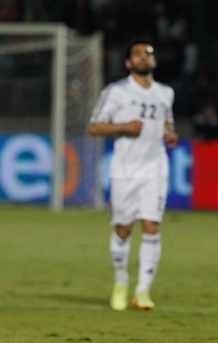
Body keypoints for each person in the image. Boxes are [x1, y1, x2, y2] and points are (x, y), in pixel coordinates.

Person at [88, 38, 178, 311]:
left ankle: (142, 291)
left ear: (154, 61)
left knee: (152, 225)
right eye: (138, 54)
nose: (144, 57)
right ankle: (121, 280)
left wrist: (169, 133)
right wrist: (124, 126)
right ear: (128, 62)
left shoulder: (166, 93)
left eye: (148, 53)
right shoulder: (116, 92)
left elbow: (167, 122)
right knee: (124, 229)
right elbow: (94, 127)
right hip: (125, 170)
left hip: (156, 169)